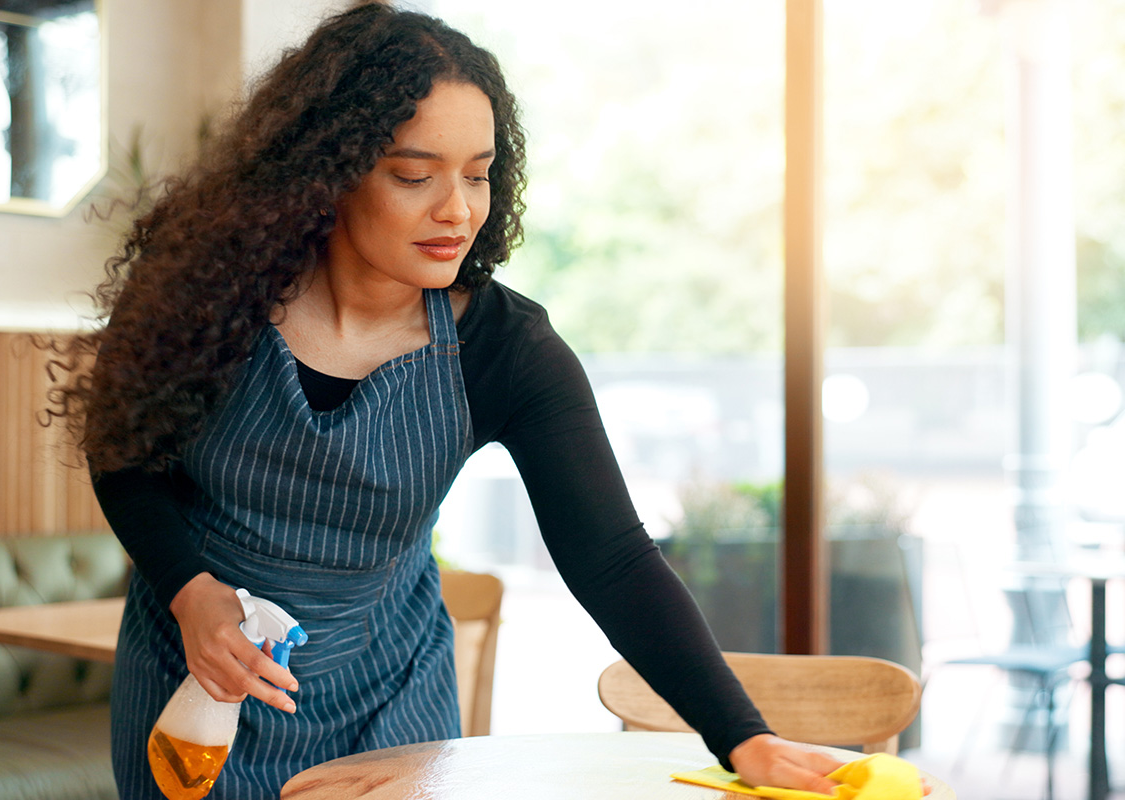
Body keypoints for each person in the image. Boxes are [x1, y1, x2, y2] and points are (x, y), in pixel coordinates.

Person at [48, 4, 846, 798]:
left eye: (477, 173)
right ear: (327, 169)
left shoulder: (509, 350)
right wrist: (192, 594)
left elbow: (612, 559)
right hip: (195, 687)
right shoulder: (203, 294)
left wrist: (744, 738)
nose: (458, 209)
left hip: (391, 704)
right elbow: (123, 451)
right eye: (413, 174)